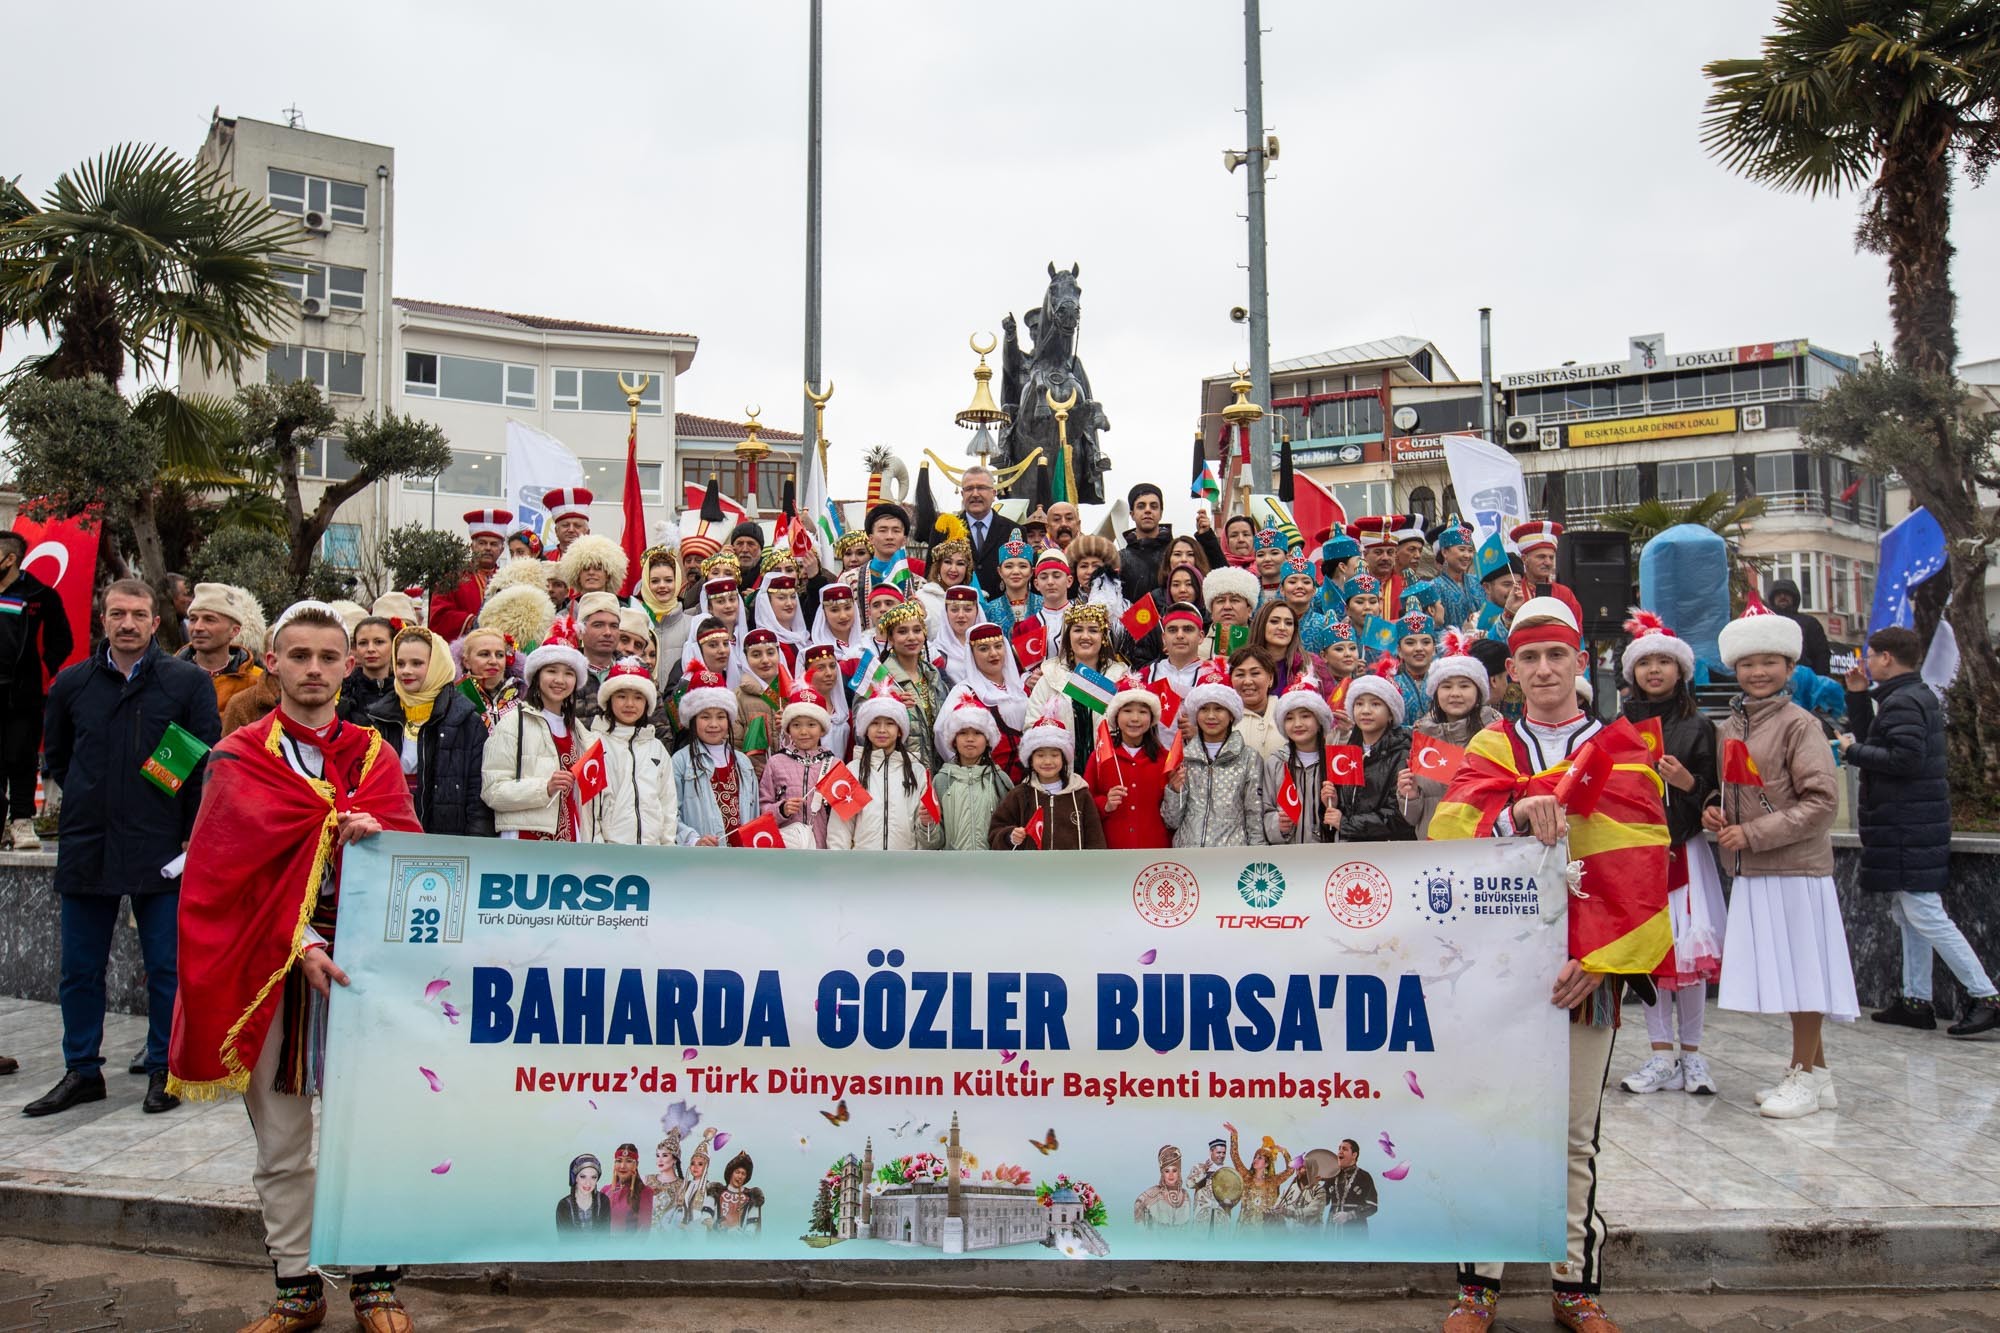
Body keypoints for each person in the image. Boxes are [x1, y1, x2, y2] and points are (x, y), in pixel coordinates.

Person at [167, 600, 421, 1331]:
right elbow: (220, 877)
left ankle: (375, 1284)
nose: (314, 669)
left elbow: (413, 857)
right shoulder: (239, 757)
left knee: (367, 1132)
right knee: (282, 1141)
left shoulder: (375, 755)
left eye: (328, 657)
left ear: (349, 666)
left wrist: (374, 840)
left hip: (363, 971)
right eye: (300, 656)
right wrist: (300, 938)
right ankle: (297, 1288)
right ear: (273, 662)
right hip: (269, 966)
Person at [1430, 598, 1670, 1333]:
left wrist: (1603, 963)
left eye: (1555, 655)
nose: (1543, 669)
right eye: (1529, 658)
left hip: (1585, 973)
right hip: (1498, 970)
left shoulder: (1624, 749)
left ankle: (1574, 1286)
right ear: (1511, 672)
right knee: (1492, 1122)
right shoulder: (1492, 747)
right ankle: (1478, 1286)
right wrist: (1516, 811)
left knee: (1572, 1135)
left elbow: (1643, 862)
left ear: (1579, 663)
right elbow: (1449, 831)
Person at [26, 579, 218, 1119]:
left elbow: (202, 761)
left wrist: (187, 828)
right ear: (103, 620)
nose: (127, 623)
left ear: (155, 622)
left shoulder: (185, 682)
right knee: (79, 969)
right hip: (87, 843)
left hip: (161, 844)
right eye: (117, 614)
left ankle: (163, 1068)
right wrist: (93, 797)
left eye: (138, 614)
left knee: (166, 967)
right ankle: (81, 1070)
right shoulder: (72, 683)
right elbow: (60, 757)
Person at [1709, 605, 1857, 1119]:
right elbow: (1737, 790)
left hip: (1795, 868)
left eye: (1769, 662)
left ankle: (1802, 1076)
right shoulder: (1731, 724)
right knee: (1795, 973)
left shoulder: (1800, 724)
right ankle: (1817, 1076)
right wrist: (1714, 808)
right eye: (1748, 663)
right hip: (1754, 866)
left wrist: (1750, 833)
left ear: (1790, 667)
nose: (1758, 672)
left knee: (1804, 976)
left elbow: (1822, 803)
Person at [1842, 627, 1998, 1036]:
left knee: (1924, 913)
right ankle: (1916, 1001)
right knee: (1910, 913)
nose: (1867, 663)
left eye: (1870, 656)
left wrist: (1851, 752)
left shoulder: (1905, 700)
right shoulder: (1904, 697)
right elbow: (1880, 742)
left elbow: (1905, 759)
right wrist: (1857, 696)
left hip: (1908, 825)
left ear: (1887, 658)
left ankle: (1986, 996)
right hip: (1905, 823)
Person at [1617, 611, 1726, 1096]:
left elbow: (1716, 792)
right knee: (1652, 952)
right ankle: (1661, 1055)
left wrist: (1688, 784)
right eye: (1645, 663)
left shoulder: (1699, 726)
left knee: (1688, 954)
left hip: (1684, 849)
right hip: (1636, 851)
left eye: (1664, 661)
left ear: (1680, 670)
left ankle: (1693, 1056)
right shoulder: (1620, 725)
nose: (1654, 670)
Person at [361, 627, 493, 837]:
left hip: (448, 842)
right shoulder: (378, 719)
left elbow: (477, 798)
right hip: (389, 838)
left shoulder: (467, 721)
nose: (406, 671)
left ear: (437, 666)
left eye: (417, 663)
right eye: (400, 663)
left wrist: (474, 847)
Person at [481, 619, 590, 843]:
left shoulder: (579, 731)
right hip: (525, 842)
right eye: (551, 671)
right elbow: (492, 791)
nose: (560, 680)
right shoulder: (513, 723)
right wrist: (545, 788)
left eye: (569, 673)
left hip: (573, 840)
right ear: (537, 676)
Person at [0, 530, 72, 848]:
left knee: (21, 757)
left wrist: (41, 670)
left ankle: (22, 822)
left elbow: (62, 641)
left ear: (10, 559)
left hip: (23, 695)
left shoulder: (40, 595)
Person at [1396, 630, 1499, 840]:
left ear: (1479, 691)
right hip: (1434, 848)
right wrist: (1409, 796)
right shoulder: (1423, 737)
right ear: (1436, 692)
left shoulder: (1496, 734)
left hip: (1482, 846)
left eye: (1464, 686)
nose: (1455, 694)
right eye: (1446, 686)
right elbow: (1412, 818)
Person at [1162, 664, 1266, 848]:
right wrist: (1175, 791)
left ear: (1231, 714)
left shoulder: (1248, 758)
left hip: (1231, 856)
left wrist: (1256, 855)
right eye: (1204, 709)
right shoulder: (1183, 757)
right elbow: (1171, 821)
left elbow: (1254, 815)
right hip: (1188, 855)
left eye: (1219, 708)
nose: (1211, 716)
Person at [828, 684, 940, 851]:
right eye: (874, 723)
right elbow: (839, 829)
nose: (882, 730)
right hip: (862, 863)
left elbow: (928, 836)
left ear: (900, 730)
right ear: (866, 729)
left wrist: (927, 825)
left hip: (905, 864)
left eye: (889, 723)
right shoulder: (852, 770)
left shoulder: (917, 772)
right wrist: (840, 863)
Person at [583, 659, 680, 847]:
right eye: (621, 696)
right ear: (609, 699)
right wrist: (596, 850)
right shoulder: (594, 744)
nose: (630, 704)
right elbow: (588, 807)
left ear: (647, 702)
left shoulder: (657, 748)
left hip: (652, 852)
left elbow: (668, 803)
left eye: (638, 697)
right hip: (609, 852)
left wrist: (666, 848)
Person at [988, 703, 1106, 850]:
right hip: (1032, 865)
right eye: (1040, 755)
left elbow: (1095, 839)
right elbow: (996, 831)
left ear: (1064, 758)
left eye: (1054, 755)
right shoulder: (1019, 794)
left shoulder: (1081, 794)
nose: (1048, 761)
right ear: (1031, 759)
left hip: (1073, 865)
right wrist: (1010, 836)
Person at [671, 667, 760, 846]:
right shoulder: (680, 761)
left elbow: (755, 813)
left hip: (741, 855)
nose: (714, 724)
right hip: (701, 855)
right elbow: (670, 813)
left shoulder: (743, 763)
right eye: (705, 717)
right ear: (693, 720)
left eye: (720, 717)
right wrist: (693, 840)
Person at [1333, 659, 1416, 842]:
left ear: (1391, 714)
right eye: (1359, 704)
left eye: (1375, 704)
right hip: (1352, 847)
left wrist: (1347, 824)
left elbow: (1399, 813)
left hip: (1388, 850)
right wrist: (1332, 800)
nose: (1366, 711)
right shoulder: (1348, 752)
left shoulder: (1402, 753)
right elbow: (1346, 804)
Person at [1026, 603, 1130, 742]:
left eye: (1093, 630)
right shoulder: (1050, 677)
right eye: (1078, 630)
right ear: (1068, 636)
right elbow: (1031, 729)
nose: (1085, 636)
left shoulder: (1120, 678)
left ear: (1103, 637)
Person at [1086, 686, 1171, 850]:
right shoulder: (1100, 756)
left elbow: (1173, 810)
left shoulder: (1165, 759)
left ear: (1152, 718)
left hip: (1155, 849)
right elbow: (1085, 801)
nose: (1135, 718)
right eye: (1127, 711)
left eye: (1143, 712)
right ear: (1116, 715)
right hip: (1111, 848)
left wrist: (1177, 790)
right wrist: (1105, 804)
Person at [1263, 672, 1342, 845]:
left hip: (1329, 854)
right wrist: (1277, 824)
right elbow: (1265, 809)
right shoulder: (1276, 763)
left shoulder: (1337, 761)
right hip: (1288, 855)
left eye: (1305, 716)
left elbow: (1350, 810)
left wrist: (1336, 808)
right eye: (1289, 718)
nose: (1297, 724)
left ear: (1319, 720)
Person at [929, 691, 1014, 851]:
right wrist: (927, 825)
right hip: (953, 864)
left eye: (977, 733)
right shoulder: (941, 780)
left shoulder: (1000, 779)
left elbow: (1010, 828)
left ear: (987, 739)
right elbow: (933, 843)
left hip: (992, 863)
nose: (970, 739)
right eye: (963, 733)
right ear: (954, 740)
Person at [761, 681, 838, 849]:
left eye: (811, 725)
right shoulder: (776, 762)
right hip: (787, 848)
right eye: (796, 725)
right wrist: (781, 810)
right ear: (788, 729)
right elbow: (762, 807)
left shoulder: (834, 765)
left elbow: (846, 813)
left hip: (823, 849)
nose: (804, 732)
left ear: (822, 729)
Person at [878, 601, 946, 769]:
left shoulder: (933, 674)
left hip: (938, 769)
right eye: (902, 631)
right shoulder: (879, 678)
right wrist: (889, 708)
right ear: (891, 638)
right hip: (900, 770)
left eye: (917, 630)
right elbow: (862, 730)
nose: (911, 637)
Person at [179, 582, 266, 715]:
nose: (198, 627)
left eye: (209, 620)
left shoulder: (256, 682)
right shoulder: (167, 676)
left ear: (234, 631)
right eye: (193, 619)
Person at [429, 508, 513, 641]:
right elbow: (439, 616)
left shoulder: (509, 580)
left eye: (493, 544)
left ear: (501, 550)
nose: (488, 548)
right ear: (472, 547)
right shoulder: (452, 577)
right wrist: (471, 622)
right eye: (482, 543)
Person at [957, 466, 1022, 598]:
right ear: (962, 494)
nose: (975, 494)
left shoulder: (1014, 531)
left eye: (981, 488)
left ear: (993, 493)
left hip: (1004, 607)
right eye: (969, 489)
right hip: (959, 606)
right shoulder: (944, 530)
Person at [1509, 522, 1582, 627]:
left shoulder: (1565, 594)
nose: (1548, 562)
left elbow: (1577, 630)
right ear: (1524, 559)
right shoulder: (1514, 593)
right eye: (1541, 557)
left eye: (1551, 557)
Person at [455, 625, 524, 731]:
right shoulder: (455, 698)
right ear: (466, 662)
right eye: (484, 654)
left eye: (500, 655)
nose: (493, 661)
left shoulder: (524, 695)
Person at [1767, 578, 1833, 678]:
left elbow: (1821, 655)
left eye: (1787, 593)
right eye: (1778, 594)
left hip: (1803, 679)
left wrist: (1817, 681)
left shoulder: (1810, 623)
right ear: (1773, 598)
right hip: (1770, 677)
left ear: (1794, 597)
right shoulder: (1765, 622)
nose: (1783, 596)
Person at [338, 617, 398, 723]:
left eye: (379, 642)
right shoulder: (341, 692)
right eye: (363, 643)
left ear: (394, 645)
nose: (370, 649)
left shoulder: (407, 692)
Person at [1228, 647, 1284, 761]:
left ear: (1270, 678)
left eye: (1255, 673)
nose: (1247, 681)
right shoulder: (1225, 718)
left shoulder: (1286, 714)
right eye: (1240, 674)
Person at [1324, 1138, 1379, 1238]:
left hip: (1355, 1233)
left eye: (1344, 1149)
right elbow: (1322, 1201)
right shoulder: (1332, 1176)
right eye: (1339, 1148)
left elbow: (1372, 1206)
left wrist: (1349, 1215)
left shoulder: (1364, 1177)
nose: (1340, 1151)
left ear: (1354, 1155)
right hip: (1331, 1232)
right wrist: (1313, 1185)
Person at [1132, 1145, 1194, 1228]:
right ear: (1162, 1173)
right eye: (1167, 1171)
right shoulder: (1152, 1194)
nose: (1171, 1175)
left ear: (1179, 1172)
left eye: (1174, 1171)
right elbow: (1138, 1204)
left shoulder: (1185, 1195)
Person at [603, 1143, 654, 1234]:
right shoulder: (605, 1190)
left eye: (629, 1161)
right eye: (619, 1161)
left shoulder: (645, 1192)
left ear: (636, 1164)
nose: (623, 1166)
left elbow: (643, 1231)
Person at [556, 1153, 609, 1236]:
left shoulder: (603, 1201)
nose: (588, 1183)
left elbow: (604, 1236)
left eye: (593, 1177)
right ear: (575, 1178)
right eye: (583, 1176)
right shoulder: (564, 1205)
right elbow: (565, 1240)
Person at [543, 486, 595, 559]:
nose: (571, 530)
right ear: (556, 531)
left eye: (577, 526)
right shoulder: (544, 560)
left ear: (587, 532)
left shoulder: (597, 559)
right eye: (565, 525)